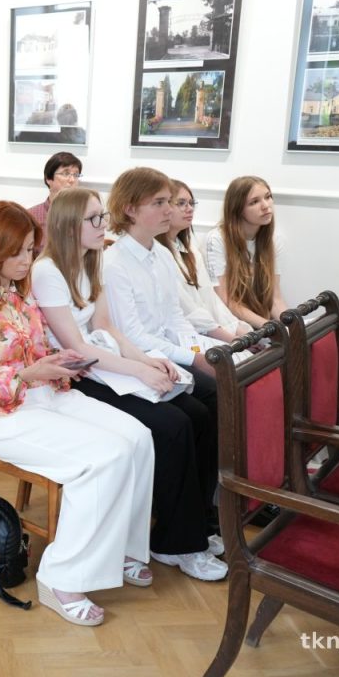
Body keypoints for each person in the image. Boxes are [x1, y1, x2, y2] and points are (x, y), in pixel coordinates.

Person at [0, 200, 155, 626]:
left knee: (138, 437)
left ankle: (121, 548)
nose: (27, 260)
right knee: (105, 457)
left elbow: (35, 351)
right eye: (18, 252)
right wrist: (28, 374)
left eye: (30, 249)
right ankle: (61, 577)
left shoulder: (15, 292)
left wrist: (58, 363)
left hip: (42, 396)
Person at [32, 187, 226, 580]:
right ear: (68, 226)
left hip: (104, 362)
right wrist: (137, 371)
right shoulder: (47, 270)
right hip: (77, 375)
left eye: (102, 216)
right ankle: (177, 543)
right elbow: (77, 345)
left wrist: (146, 360)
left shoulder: (93, 258)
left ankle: (185, 524)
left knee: (198, 413)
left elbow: (106, 327)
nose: (103, 225)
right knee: (173, 425)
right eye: (94, 218)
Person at [101, 167, 222, 534]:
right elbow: (134, 336)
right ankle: (187, 513)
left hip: (166, 352)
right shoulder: (114, 264)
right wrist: (192, 359)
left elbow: (175, 320)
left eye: (169, 201)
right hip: (137, 358)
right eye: (159, 202)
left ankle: (205, 507)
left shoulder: (163, 256)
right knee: (202, 405)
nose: (170, 210)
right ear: (130, 209)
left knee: (217, 395)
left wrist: (202, 352)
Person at [157, 179, 252, 341]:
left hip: (210, 330)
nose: (189, 209)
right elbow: (190, 312)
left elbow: (211, 300)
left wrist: (239, 330)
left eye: (191, 203)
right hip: (185, 335)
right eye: (181, 203)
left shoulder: (191, 250)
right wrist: (232, 339)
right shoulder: (159, 254)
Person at [204, 175, 288, 328]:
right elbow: (226, 301)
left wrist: (292, 326)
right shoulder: (216, 240)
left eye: (268, 197)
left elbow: (274, 299)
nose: (266, 206)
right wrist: (270, 327)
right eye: (254, 202)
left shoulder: (274, 239)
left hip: (260, 323)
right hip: (229, 325)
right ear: (237, 209)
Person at [26, 152, 82, 240]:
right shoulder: (30, 218)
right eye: (65, 173)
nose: (72, 180)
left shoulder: (85, 215)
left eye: (76, 175)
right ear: (49, 179)